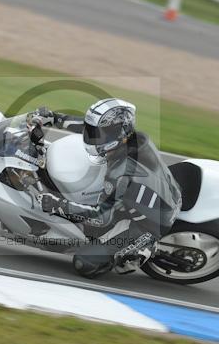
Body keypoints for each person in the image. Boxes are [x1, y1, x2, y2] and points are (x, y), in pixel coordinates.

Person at [30, 99, 182, 278]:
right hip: (151, 195)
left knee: (85, 264)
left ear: (119, 132)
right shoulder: (131, 138)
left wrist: (58, 205)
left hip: (146, 224)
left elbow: (101, 217)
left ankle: (144, 248)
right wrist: (54, 118)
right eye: (95, 132)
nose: (93, 136)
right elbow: (88, 128)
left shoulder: (122, 174)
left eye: (100, 134)